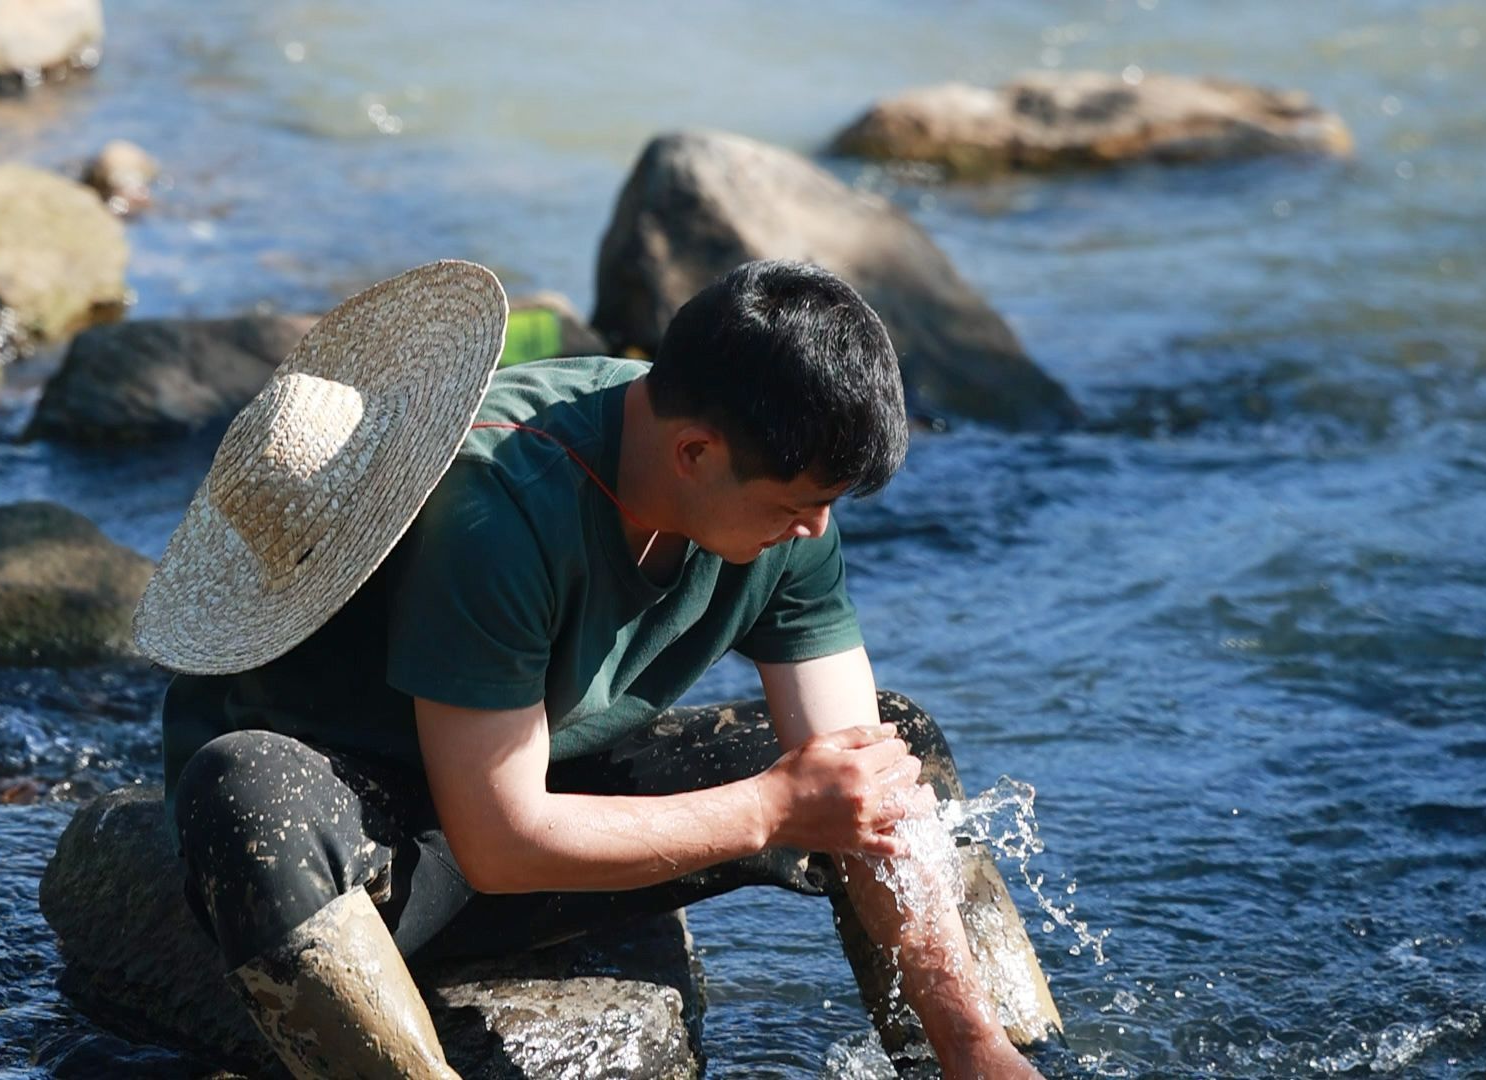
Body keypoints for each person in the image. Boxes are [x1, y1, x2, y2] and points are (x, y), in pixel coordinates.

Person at [135, 258, 1049, 1079]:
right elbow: (496, 843)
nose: (813, 529)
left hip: (535, 784)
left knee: (893, 754)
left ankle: (996, 1059)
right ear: (695, 454)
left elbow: (860, 780)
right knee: (244, 795)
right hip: (374, 840)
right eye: (798, 506)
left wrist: (975, 1046)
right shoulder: (497, 512)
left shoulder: (776, 481)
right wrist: (770, 809)